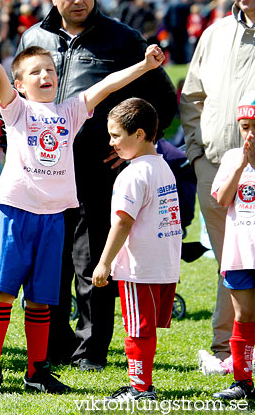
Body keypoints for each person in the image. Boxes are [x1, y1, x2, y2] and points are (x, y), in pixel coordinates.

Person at [0, 9, 165, 394]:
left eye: (50, 71)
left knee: (42, 300)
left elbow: (106, 85)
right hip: (15, 214)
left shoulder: (69, 112)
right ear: (20, 85)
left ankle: (36, 370)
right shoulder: (17, 110)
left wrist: (144, 65)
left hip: (54, 218)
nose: (45, 76)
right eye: (35, 72)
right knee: (4, 293)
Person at [17, 0, 177, 371]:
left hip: (97, 171)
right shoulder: (34, 37)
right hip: (46, 174)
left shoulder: (122, 39)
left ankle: (91, 349)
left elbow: (163, 100)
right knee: (50, 260)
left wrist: (128, 144)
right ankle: (54, 343)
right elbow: (16, 96)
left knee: (91, 263)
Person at [180, 0, 255, 367]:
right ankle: (228, 351)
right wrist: (197, 158)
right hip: (216, 172)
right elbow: (192, 98)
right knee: (230, 265)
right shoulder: (214, 34)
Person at [92, 98, 182, 401]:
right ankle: (143, 384)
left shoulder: (131, 174)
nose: (111, 142)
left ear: (140, 134)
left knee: (137, 329)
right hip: (163, 264)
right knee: (144, 327)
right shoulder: (162, 167)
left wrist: (104, 263)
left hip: (138, 266)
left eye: (116, 135)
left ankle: (140, 387)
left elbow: (123, 223)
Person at [211, 92, 255, 400]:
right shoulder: (231, 158)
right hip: (241, 251)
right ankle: (242, 381)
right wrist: (241, 166)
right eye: (245, 126)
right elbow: (223, 199)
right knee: (244, 315)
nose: (250, 133)